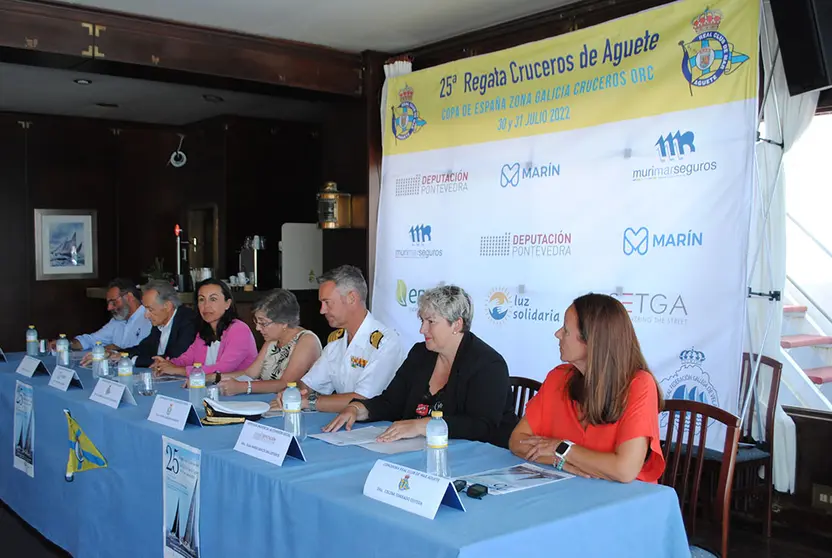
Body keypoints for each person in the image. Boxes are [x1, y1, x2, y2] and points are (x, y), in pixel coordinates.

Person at [324, 285, 518, 448]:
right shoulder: (420, 353)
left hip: (476, 457)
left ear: (456, 325)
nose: (422, 329)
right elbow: (391, 402)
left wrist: (421, 426)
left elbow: (481, 426)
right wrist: (358, 409)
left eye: (431, 322)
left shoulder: (488, 364)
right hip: (417, 450)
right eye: (422, 321)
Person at [508, 293, 665, 483]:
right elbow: (517, 441)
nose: (557, 334)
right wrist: (559, 461)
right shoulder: (558, 377)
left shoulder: (639, 385)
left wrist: (562, 448)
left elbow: (624, 470)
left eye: (566, 330)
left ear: (592, 341)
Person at [270, 265, 405, 413]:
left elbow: (363, 398)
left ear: (352, 298)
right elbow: (310, 383)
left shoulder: (385, 342)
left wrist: (309, 402)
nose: (322, 310)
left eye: (327, 302)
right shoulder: (337, 340)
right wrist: (294, 394)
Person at [218, 289, 321, 396]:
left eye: (263, 323)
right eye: (256, 322)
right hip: (271, 402)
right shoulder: (272, 340)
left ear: (284, 322)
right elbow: (249, 373)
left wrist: (242, 387)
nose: (258, 328)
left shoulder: (307, 340)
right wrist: (212, 377)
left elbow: (285, 383)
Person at [152, 278, 257, 378]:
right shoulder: (205, 331)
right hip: (212, 389)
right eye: (201, 299)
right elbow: (187, 358)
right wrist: (166, 364)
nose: (206, 305)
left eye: (213, 299)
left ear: (227, 304)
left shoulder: (239, 329)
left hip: (238, 392)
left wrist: (178, 370)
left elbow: (224, 369)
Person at [56, 278, 152, 354]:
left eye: (113, 302)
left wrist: (117, 350)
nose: (109, 308)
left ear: (129, 297)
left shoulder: (149, 319)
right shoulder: (116, 321)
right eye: (108, 303)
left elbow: (143, 352)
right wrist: (67, 344)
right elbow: (92, 340)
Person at [127, 280, 197, 368]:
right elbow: (143, 348)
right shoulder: (160, 321)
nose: (146, 315)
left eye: (150, 309)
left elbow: (173, 359)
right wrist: (119, 354)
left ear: (167, 306)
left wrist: (134, 360)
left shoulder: (188, 322)